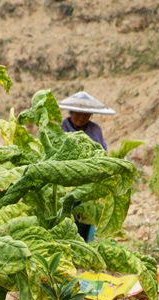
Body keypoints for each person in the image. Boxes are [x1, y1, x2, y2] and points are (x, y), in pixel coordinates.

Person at [58, 91, 116, 241]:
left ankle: (83, 243)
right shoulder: (62, 127)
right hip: (67, 180)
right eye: (77, 113)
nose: (81, 117)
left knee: (86, 215)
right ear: (70, 112)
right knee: (67, 213)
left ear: (91, 115)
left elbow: (103, 152)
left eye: (86, 114)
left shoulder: (95, 130)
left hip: (89, 180)